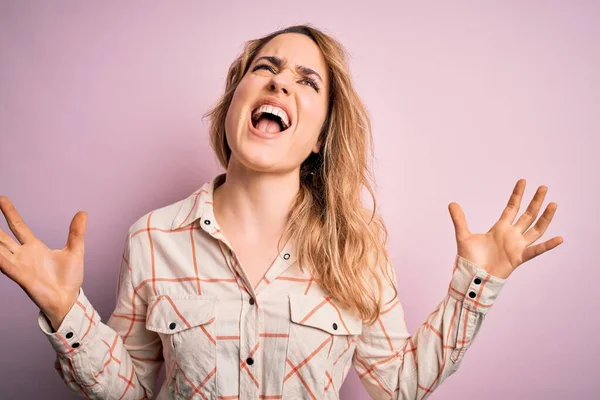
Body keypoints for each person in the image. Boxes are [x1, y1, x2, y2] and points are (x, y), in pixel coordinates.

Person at [0, 24, 563, 400]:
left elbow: (398, 383)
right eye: (265, 68)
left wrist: (478, 283)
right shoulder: (152, 237)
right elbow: (134, 389)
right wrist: (66, 310)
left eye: (306, 81)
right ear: (235, 102)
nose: (279, 81)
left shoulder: (357, 248)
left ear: (319, 136)